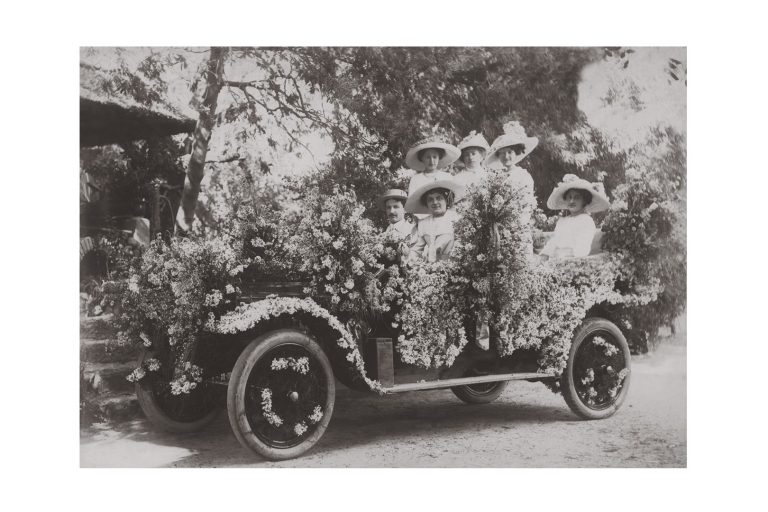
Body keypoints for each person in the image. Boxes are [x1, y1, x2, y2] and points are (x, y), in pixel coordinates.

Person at [540, 174, 610, 261]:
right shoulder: (562, 221)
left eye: (577, 197)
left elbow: (582, 250)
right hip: (556, 261)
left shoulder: (586, 221)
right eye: (569, 197)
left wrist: (562, 257)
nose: (572, 201)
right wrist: (544, 256)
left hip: (573, 263)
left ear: (584, 201)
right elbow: (553, 242)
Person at [404, 179, 465, 263]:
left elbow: (462, 246)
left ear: (446, 200)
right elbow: (417, 249)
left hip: (454, 264)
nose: (435, 202)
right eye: (430, 199)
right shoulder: (423, 223)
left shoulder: (457, 218)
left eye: (439, 198)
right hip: (430, 267)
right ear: (426, 203)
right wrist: (407, 254)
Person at [377, 188, 415, 258]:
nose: (391, 211)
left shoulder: (413, 231)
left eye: (396, 207)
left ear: (405, 209)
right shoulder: (385, 233)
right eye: (388, 207)